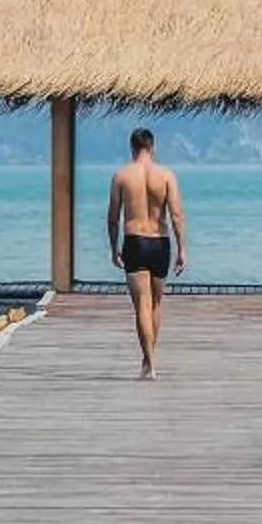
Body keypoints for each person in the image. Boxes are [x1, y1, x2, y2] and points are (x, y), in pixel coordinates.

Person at [104, 126, 185, 379]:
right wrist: (182, 249)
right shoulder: (167, 175)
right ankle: (148, 360)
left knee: (141, 304)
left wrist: (113, 248)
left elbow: (113, 217)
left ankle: (149, 362)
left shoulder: (121, 176)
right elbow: (176, 215)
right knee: (155, 304)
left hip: (135, 241)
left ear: (132, 148)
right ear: (152, 147)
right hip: (160, 242)